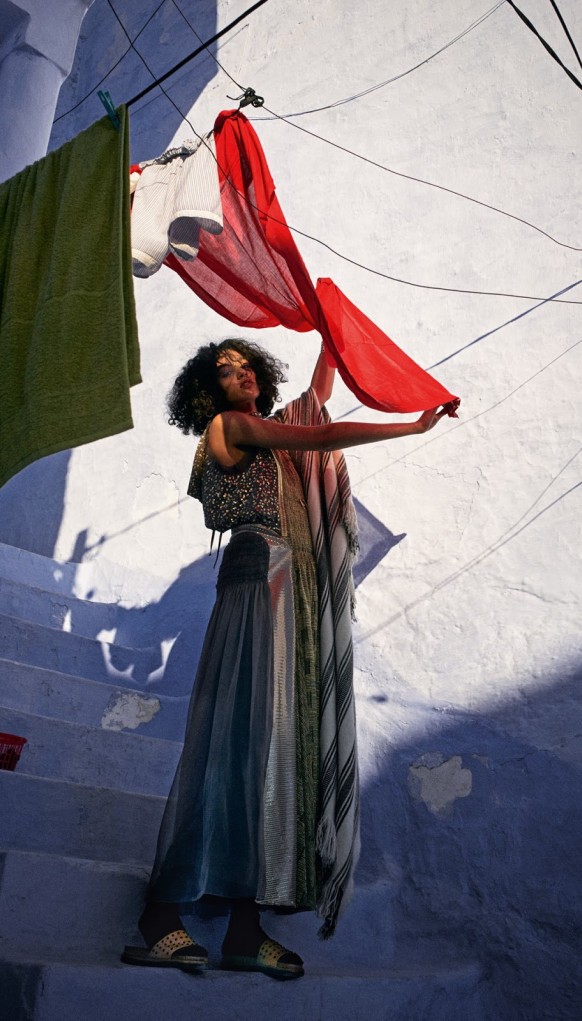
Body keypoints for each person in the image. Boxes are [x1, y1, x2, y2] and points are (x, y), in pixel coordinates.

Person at [122, 338, 447, 980]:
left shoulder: (272, 435)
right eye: (224, 369)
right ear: (208, 391)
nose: (238, 373)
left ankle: (246, 930)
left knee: (275, 757)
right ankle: (160, 915)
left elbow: (316, 401)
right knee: (232, 748)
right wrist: (407, 425)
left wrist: (330, 331)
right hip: (257, 584)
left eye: (247, 365)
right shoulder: (232, 427)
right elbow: (320, 433)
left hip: (291, 591)